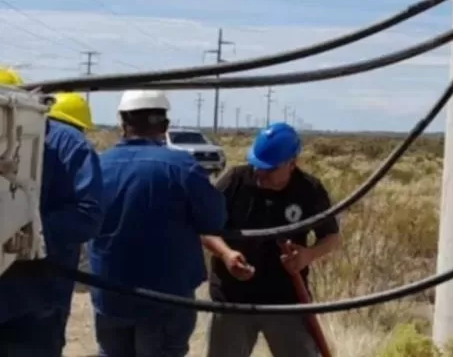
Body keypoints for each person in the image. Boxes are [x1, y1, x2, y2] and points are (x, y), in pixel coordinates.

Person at [89, 89, 226, 357]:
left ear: (123, 123)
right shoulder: (182, 166)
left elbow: (83, 220)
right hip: (167, 296)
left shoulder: (97, 165)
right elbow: (214, 219)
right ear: (164, 125)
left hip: (110, 293)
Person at [202, 122, 341, 357]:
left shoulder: (309, 190)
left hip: (285, 300)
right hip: (233, 299)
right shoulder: (235, 181)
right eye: (257, 165)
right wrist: (226, 255)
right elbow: (205, 228)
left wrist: (307, 255)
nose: (260, 173)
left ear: (291, 163)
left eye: (269, 168)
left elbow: (331, 236)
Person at [0, 84, 104, 357]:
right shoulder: (72, 143)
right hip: (37, 299)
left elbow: (87, 214)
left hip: (32, 300)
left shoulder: (66, 144)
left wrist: (24, 234)